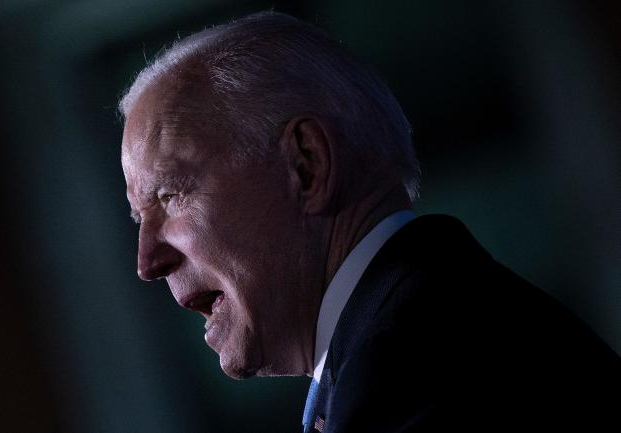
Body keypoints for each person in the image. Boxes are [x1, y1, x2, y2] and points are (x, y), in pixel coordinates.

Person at [119, 11, 621, 433]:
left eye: (171, 194)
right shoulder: (430, 332)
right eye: (140, 217)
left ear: (306, 164)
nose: (147, 262)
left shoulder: (417, 371)